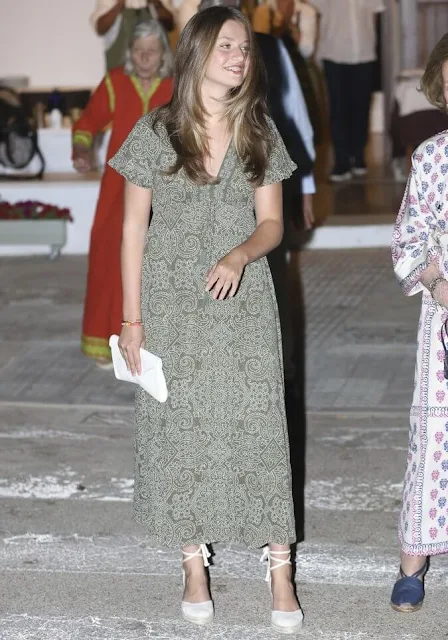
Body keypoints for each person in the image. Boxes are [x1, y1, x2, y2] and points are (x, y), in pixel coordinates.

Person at [109, 6, 303, 632]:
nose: (240, 57)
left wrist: (241, 253)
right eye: (227, 46)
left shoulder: (259, 131)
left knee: (259, 421)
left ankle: (280, 569)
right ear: (196, 52)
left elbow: (273, 223)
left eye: (245, 49)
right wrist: (131, 321)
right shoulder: (155, 131)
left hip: (242, 297)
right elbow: (132, 228)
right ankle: (193, 564)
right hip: (170, 300)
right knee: (181, 428)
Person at [73, 21, 173, 365]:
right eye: (138, 50)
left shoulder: (176, 87)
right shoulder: (115, 83)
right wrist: (81, 150)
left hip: (166, 186)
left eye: (151, 51)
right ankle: (106, 342)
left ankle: (159, 343)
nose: (144, 57)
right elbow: (86, 124)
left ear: (163, 55)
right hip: (119, 187)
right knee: (107, 257)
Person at [391, 33, 448, 613]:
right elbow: (409, 237)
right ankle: (414, 560)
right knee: (434, 437)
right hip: (446, 311)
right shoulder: (432, 156)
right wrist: (436, 283)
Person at [312, 0, 384, 182]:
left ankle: (359, 156)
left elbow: (375, 16)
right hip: (333, 53)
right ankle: (341, 161)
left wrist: (370, 41)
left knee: (361, 106)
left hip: (364, 53)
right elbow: (317, 14)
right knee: (338, 109)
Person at [91, 0, 174, 70]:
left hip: (155, 79)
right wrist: (119, 5)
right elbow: (100, 27)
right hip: (120, 78)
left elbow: (170, 24)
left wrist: (156, 3)